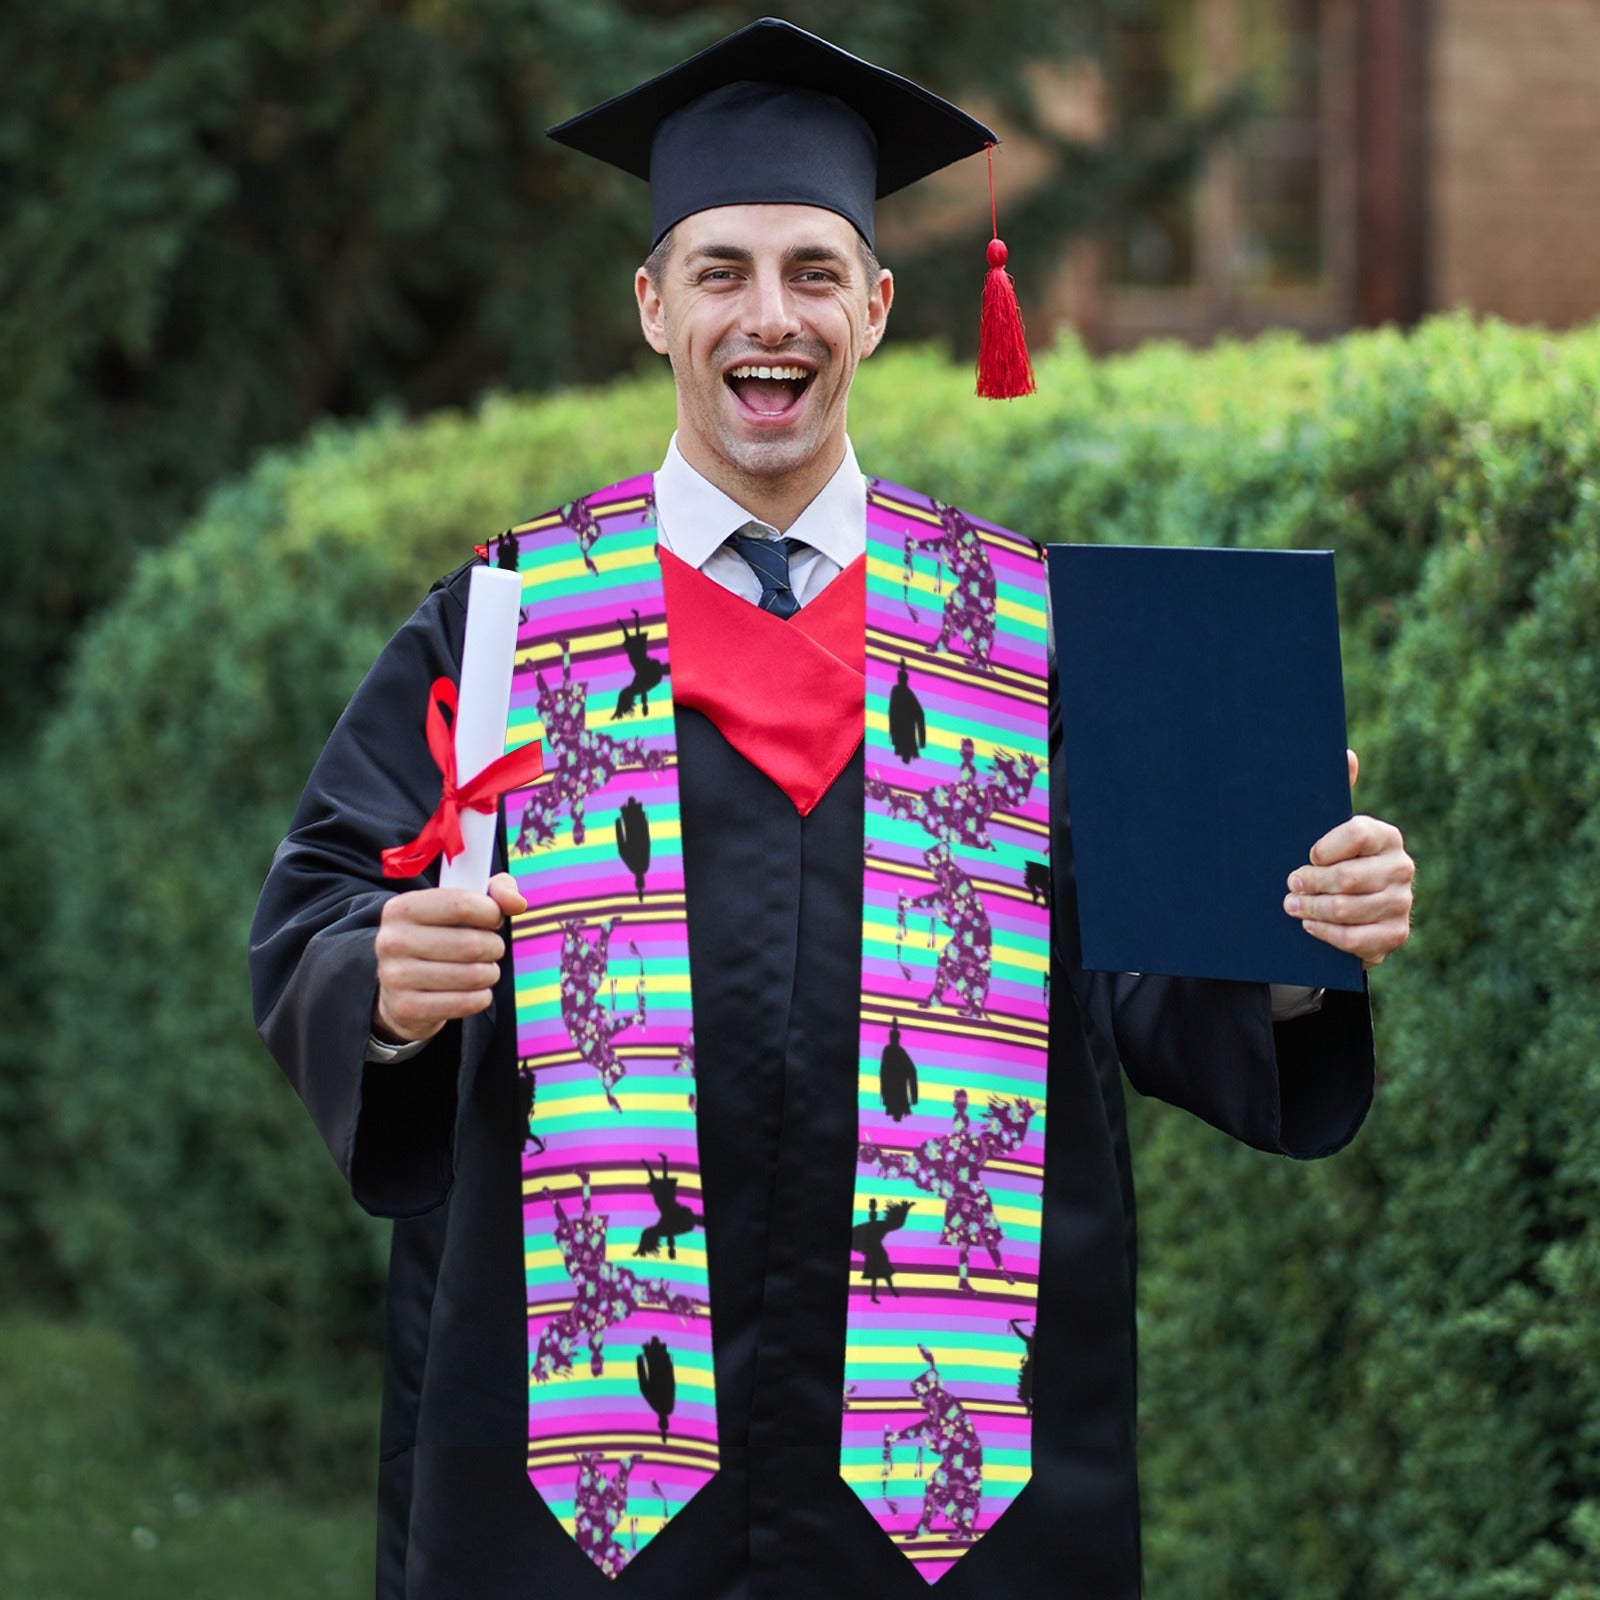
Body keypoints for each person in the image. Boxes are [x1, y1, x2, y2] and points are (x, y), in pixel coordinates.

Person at [249, 19, 1414, 1600]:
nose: (768, 316)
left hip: (951, 1484)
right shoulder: (511, 622)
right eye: (721, 270)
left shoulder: (1024, 633)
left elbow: (1150, 977)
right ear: (654, 305)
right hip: (585, 1481)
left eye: (812, 270)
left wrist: (1292, 933)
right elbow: (324, 901)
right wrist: (381, 984)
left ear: (876, 305)